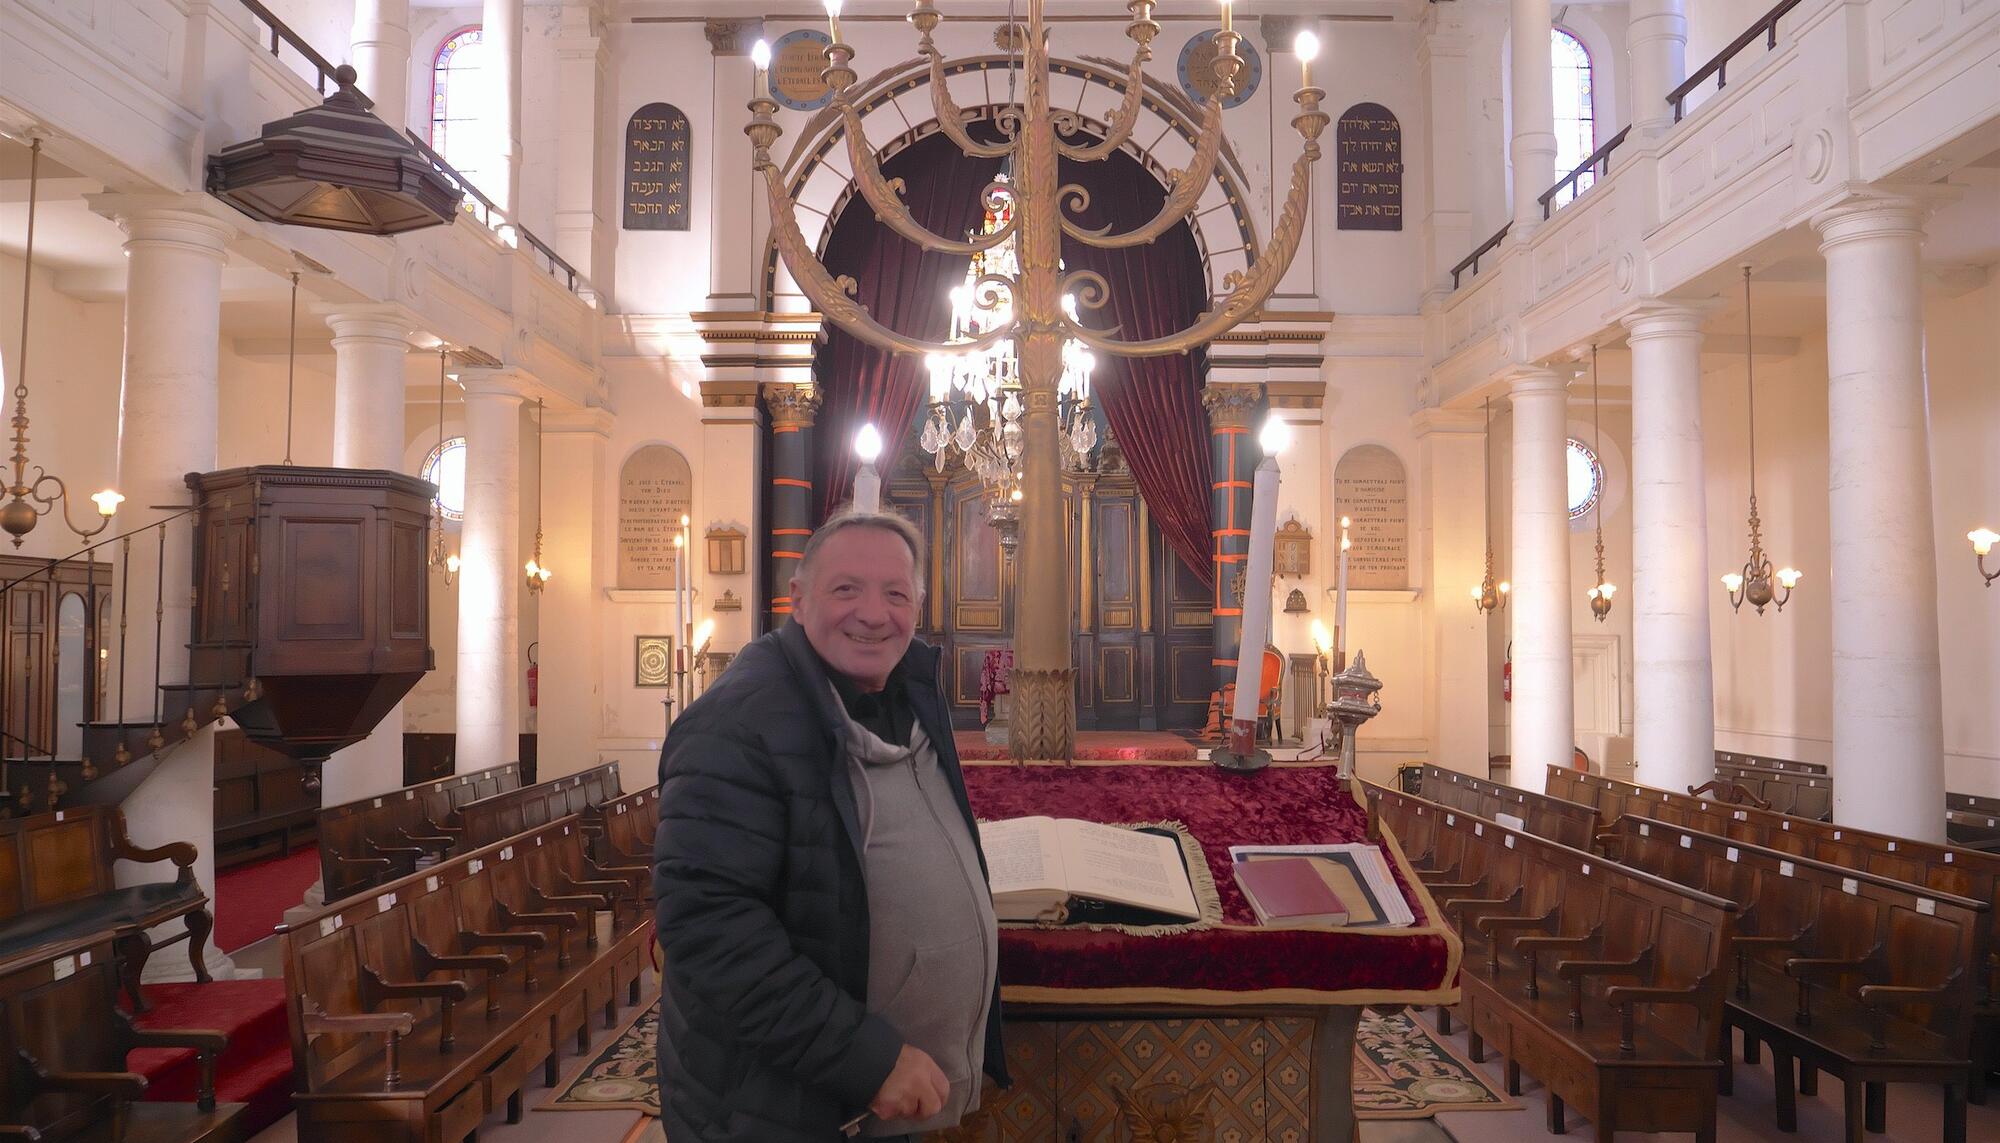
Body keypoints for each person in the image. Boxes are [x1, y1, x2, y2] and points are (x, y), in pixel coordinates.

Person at [653, 510, 1006, 1142]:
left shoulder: (909, 692)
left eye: (895, 593)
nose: (873, 613)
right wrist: (869, 1061)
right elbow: (710, 931)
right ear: (798, 598)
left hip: (881, 1110)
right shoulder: (734, 723)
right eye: (847, 589)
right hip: (783, 1111)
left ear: (918, 608)